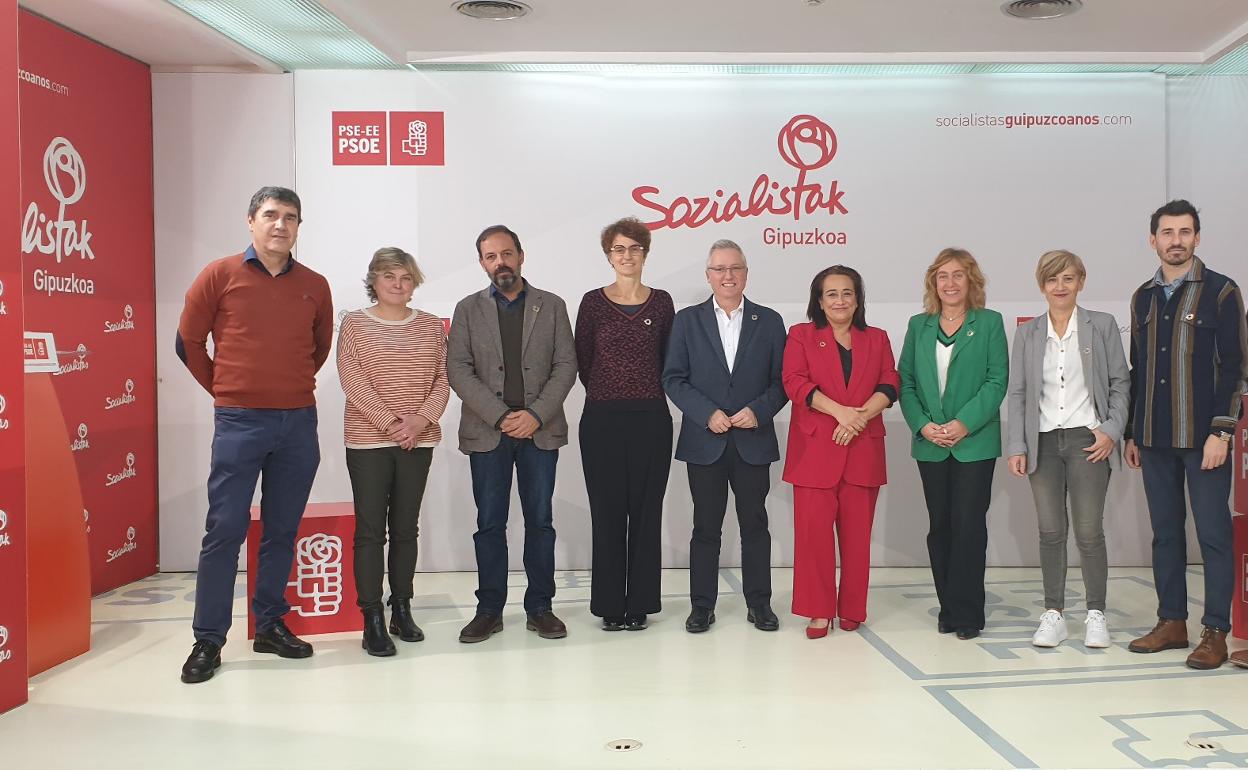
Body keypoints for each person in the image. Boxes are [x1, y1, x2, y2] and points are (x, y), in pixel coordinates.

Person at [175, 186, 333, 683]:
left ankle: (269, 625)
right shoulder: (219, 274)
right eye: (270, 215)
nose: (280, 224)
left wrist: (285, 387)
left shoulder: (315, 284)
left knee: (282, 529)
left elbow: (318, 349)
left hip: (297, 423)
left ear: (299, 226)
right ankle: (208, 639)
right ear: (251, 221)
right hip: (239, 421)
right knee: (224, 529)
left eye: (290, 217)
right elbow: (187, 342)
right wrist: (227, 389)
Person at [1122, 200, 1247, 670]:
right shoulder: (1143, 297)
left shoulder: (1221, 291)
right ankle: (1172, 622)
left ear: (1197, 237)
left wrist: (1222, 432)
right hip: (1153, 437)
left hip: (1203, 439)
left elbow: (1236, 368)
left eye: (1185, 232)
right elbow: (1138, 369)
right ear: (1152, 239)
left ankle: (1215, 632)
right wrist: (1132, 431)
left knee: (1213, 535)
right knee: (1165, 535)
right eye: (1167, 232)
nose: (1176, 241)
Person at [447, 225, 577, 643]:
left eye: (506, 253)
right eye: (491, 256)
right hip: (489, 432)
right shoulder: (467, 309)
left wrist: (535, 414)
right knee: (489, 524)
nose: (499, 262)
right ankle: (489, 610)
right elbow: (458, 370)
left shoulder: (551, 305)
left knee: (540, 522)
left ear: (521, 255)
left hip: (540, 430)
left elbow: (566, 365)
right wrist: (502, 416)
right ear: (482, 263)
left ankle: (540, 607)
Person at [663, 239, 788, 634]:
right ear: (708, 276)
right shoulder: (687, 321)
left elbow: (782, 382)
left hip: (753, 440)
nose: (728, 275)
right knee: (705, 528)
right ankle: (702, 607)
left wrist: (758, 411)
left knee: (755, 525)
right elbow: (673, 378)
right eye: (719, 269)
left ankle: (759, 604)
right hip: (706, 442)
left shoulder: (770, 321)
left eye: (735, 268)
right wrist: (707, 414)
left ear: (746, 274)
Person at [1005, 250, 1129, 649]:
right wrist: (1017, 444)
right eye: (1052, 279)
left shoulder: (1101, 325)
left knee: (1089, 531)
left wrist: (1111, 431)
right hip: (1042, 442)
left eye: (1068, 278)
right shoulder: (1028, 333)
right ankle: (1053, 613)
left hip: (1088, 441)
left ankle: (1096, 614)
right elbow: (1018, 391)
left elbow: (1120, 383)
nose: (1060, 286)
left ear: (1081, 282)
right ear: (1042, 285)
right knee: (1050, 531)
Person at [337, 247, 449, 656]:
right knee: (370, 531)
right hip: (368, 441)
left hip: (419, 440)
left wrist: (419, 421)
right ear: (374, 281)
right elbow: (352, 379)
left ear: (414, 282)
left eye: (405, 277)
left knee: (405, 528)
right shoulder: (354, 324)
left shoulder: (431, 326)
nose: (398, 285)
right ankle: (371, 616)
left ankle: (401, 606)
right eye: (389, 276)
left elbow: (442, 379)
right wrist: (391, 424)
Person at [782, 266, 897, 638]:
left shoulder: (877, 338)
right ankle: (818, 611)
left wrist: (859, 418)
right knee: (813, 538)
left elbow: (890, 381)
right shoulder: (800, 335)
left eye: (847, 293)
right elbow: (794, 382)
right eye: (831, 294)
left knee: (857, 538)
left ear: (858, 299)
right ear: (819, 301)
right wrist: (842, 414)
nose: (840, 300)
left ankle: (852, 608)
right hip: (815, 451)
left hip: (863, 449)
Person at [898, 248, 1007, 640]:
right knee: (940, 527)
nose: (950, 283)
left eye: (958, 275)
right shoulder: (919, 325)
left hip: (974, 442)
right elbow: (905, 382)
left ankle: (968, 614)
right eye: (942, 275)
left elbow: (997, 380)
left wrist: (963, 424)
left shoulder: (990, 323)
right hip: (931, 443)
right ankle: (948, 607)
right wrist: (923, 425)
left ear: (971, 280)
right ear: (933, 282)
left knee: (968, 526)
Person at [576, 217, 674, 631]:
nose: (627, 255)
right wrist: (611, 391)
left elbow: (670, 360)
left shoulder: (663, 303)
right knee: (607, 514)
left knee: (647, 513)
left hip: (651, 418)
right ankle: (610, 605)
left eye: (634, 248)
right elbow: (583, 361)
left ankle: (641, 605)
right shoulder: (592, 303)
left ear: (645, 253)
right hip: (602, 420)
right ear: (608, 255)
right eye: (619, 248)